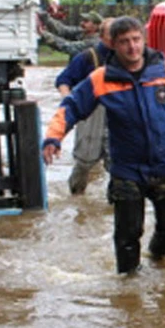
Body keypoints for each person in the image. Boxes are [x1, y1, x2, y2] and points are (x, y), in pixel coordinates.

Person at [42, 16, 165, 274]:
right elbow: (71, 107)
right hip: (127, 170)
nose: (132, 47)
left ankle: (156, 257)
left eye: (136, 39)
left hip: (164, 164)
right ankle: (128, 290)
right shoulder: (102, 78)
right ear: (114, 46)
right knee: (128, 235)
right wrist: (53, 137)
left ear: (144, 40)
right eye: (125, 42)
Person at [54, 17, 115, 195]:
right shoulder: (88, 57)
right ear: (102, 35)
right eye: (112, 34)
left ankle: (117, 202)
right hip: (91, 114)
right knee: (84, 161)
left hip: (117, 114)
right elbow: (63, 80)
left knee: (119, 163)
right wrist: (70, 103)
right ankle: (76, 196)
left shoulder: (127, 57)